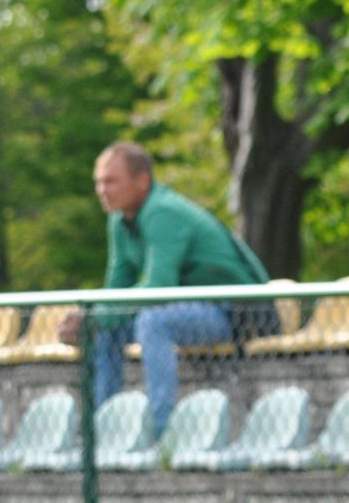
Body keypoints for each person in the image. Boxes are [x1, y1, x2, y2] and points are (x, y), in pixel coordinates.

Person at [72, 142, 273, 437]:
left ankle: (161, 432)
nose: (103, 190)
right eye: (99, 182)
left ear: (142, 181)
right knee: (105, 329)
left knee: (152, 322)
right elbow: (115, 289)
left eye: (111, 181)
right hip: (189, 309)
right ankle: (101, 432)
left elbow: (158, 288)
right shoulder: (119, 221)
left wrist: (94, 316)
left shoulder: (162, 212)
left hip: (234, 312)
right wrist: (90, 320)